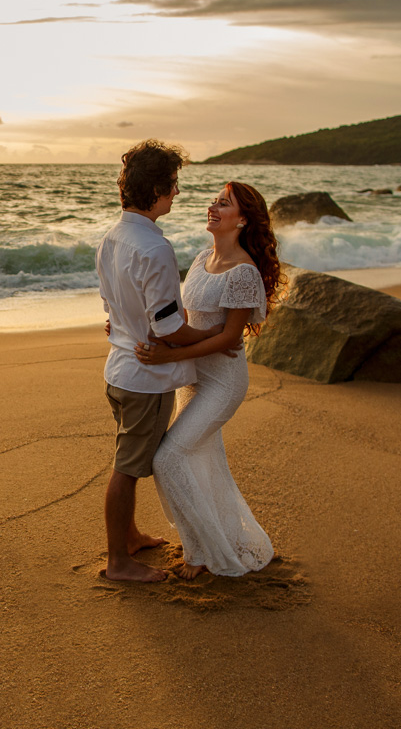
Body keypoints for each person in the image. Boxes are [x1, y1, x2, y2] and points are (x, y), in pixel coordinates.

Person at [133, 181, 283, 580]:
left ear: (243, 219)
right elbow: (191, 323)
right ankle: (210, 537)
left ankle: (202, 550)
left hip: (222, 385)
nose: (213, 207)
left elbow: (229, 339)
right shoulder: (201, 259)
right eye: (214, 201)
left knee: (168, 458)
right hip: (191, 377)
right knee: (201, 460)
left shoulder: (244, 273)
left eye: (224, 204)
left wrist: (170, 355)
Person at [95, 140, 227, 583]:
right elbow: (168, 327)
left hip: (119, 369)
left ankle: (129, 537)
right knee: (129, 468)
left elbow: (112, 307)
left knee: (126, 457)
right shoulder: (155, 248)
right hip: (145, 378)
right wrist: (212, 334)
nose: (176, 193)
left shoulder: (111, 238)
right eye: (172, 186)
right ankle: (118, 561)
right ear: (154, 189)